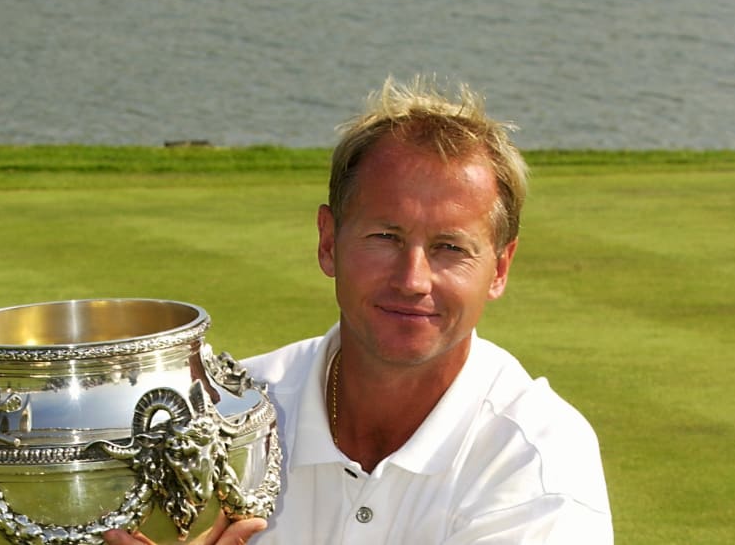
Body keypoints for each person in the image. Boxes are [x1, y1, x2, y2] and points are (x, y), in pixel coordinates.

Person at [105, 75, 613, 544]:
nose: (413, 280)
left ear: (500, 268)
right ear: (329, 242)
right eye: (385, 237)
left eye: (451, 248)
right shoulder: (224, 416)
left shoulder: (537, 458)